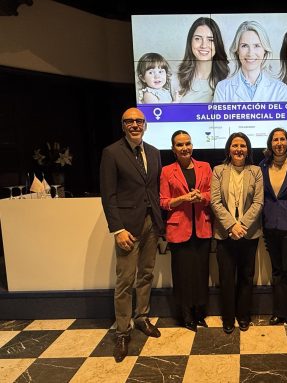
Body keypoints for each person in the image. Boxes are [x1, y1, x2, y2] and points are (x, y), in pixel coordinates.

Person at [100, 107, 163, 362]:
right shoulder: (112, 153)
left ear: (145, 125)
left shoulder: (154, 152)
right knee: (125, 280)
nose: (135, 125)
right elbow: (109, 195)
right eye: (130, 121)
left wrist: (160, 224)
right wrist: (117, 229)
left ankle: (142, 317)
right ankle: (123, 332)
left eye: (139, 121)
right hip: (127, 227)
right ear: (123, 125)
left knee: (146, 274)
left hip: (151, 224)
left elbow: (154, 189)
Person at [159, 130, 212, 332]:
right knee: (182, 275)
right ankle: (186, 315)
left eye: (187, 143)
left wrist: (201, 197)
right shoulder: (166, 171)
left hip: (202, 227)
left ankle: (200, 313)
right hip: (178, 229)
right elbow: (163, 202)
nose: (185, 148)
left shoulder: (205, 167)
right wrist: (182, 199)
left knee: (200, 273)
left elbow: (211, 195)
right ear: (173, 149)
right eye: (180, 145)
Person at [210, 132, 263, 334]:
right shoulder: (218, 171)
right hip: (225, 234)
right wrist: (232, 225)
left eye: (242, 145)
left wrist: (242, 225)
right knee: (226, 277)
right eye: (235, 145)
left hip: (249, 234)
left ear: (248, 149)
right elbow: (215, 201)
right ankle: (228, 317)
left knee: (246, 277)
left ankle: (243, 316)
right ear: (229, 149)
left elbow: (258, 202)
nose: (239, 149)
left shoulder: (256, 171)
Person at [260, 128, 287, 328]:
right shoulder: (262, 166)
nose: (279, 143)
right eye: (275, 140)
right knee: (277, 271)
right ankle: (279, 312)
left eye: (282, 139)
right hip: (270, 223)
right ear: (270, 144)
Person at [213, 20, 287, 102]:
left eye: (257, 46)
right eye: (244, 46)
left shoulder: (280, 89)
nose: (250, 53)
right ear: (237, 50)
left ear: (265, 50)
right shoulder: (223, 89)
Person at [173, 17, 230, 103]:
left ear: (217, 44)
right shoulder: (173, 79)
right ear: (190, 42)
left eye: (210, 40)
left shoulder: (228, 80)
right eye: (198, 39)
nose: (204, 45)